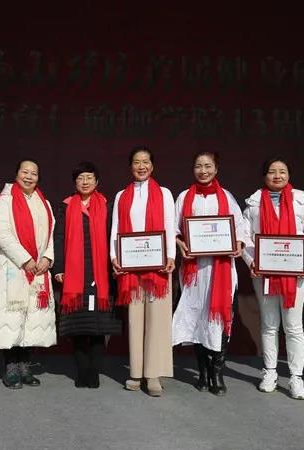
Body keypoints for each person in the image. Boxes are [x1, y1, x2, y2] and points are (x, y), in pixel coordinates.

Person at [242, 157, 304, 400]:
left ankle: (296, 377)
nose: (277, 176)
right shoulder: (254, 203)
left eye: (282, 171)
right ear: (264, 176)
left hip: (296, 274)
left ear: (289, 175)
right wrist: (252, 261)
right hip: (264, 274)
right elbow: (245, 237)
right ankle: (270, 371)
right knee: (269, 325)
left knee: (293, 326)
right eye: (272, 172)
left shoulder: (302, 201)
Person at [172, 151, 250, 396]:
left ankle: (217, 373)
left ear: (216, 169)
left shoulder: (226, 197)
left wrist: (239, 243)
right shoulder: (184, 197)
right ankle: (203, 372)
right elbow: (173, 228)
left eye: (208, 166)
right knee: (197, 317)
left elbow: (240, 227)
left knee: (219, 320)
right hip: (194, 271)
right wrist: (179, 243)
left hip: (221, 269)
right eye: (198, 166)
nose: (203, 170)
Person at [110, 146, 176, 397]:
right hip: (132, 266)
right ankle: (136, 371)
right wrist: (114, 256)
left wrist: (170, 255)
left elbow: (169, 225)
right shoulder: (121, 195)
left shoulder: (164, 193)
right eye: (137, 162)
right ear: (131, 166)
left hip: (158, 266)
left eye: (146, 162)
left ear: (152, 165)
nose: (141, 166)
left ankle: (154, 374)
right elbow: (116, 228)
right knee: (135, 319)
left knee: (157, 320)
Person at [0, 159, 57, 388]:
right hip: (13, 268)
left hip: (38, 270)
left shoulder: (44, 202)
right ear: (16, 174)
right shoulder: (6, 200)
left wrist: (47, 258)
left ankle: (25, 367)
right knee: (12, 319)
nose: (29, 176)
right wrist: (25, 259)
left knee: (31, 319)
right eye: (25, 172)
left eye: (34, 173)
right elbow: (1, 233)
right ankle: (11, 368)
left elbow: (51, 233)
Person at [52, 161, 119, 389]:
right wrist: (59, 268)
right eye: (80, 178)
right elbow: (59, 238)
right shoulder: (65, 206)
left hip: (101, 274)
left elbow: (114, 237)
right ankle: (82, 372)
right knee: (78, 327)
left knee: (99, 328)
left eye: (89, 177)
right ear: (75, 182)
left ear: (97, 181)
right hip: (74, 274)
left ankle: (94, 372)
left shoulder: (107, 206)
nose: (85, 182)